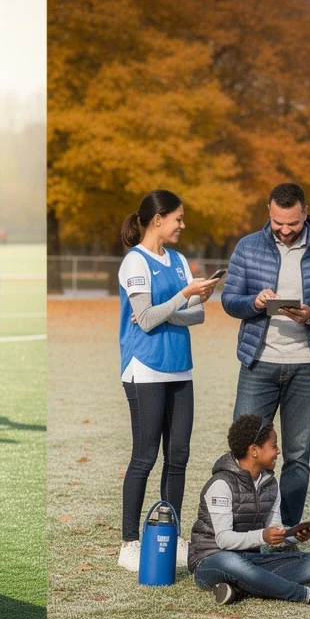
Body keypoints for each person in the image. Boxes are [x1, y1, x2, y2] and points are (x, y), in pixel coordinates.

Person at [222, 183, 310, 528]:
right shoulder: (248, 247)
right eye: (278, 221)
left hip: (307, 367)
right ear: (269, 210)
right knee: (245, 448)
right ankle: (242, 527)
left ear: (305, 213)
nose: (284, 229)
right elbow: (229, 300)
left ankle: (287, 529)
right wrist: (255, 302)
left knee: (297, 454)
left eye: (292, 223)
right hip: (258, 363)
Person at [114, 190, 219, 572]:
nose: (182, 225)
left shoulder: (177, 260)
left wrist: (174, 306)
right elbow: (146, 317)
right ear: (158, 219)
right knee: (144, 457)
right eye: (178, 218)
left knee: (179, 457)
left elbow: (198, 316)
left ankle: (169, 537)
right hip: (145, 368)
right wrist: (183, 298)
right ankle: (129, 542)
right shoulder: (134, 262)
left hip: (180, 367)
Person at [189, 415, 310, 607]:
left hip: (250, 560)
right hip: (212, 560)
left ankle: (240, 588)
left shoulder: (270, 484)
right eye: (274, 445)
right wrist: (263, 537)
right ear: (254, 450)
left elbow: (274, 529)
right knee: (231, 562)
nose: (278, 451)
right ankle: (307, 595)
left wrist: (292, 535)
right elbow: (223, 540)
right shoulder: (221, 484)